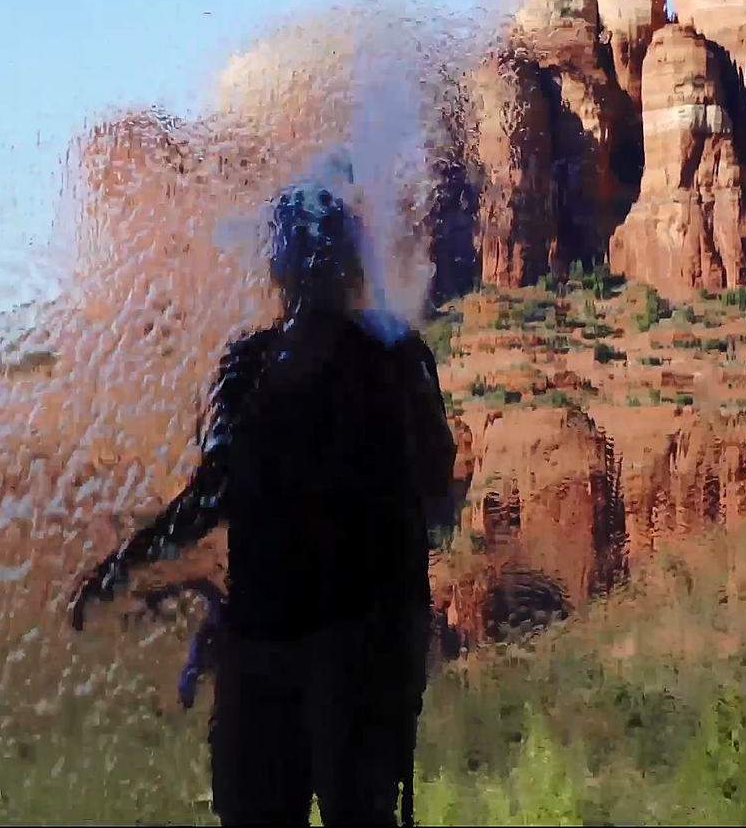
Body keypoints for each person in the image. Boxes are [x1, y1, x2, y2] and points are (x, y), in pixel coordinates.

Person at [68, 181, 459, 827]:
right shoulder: (394, 354)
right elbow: (436, 484)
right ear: (352, 262)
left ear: (277, 267)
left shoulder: (256, 362)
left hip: (283, 643)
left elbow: (211, 493)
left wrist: (127, 564)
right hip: (357, 645)